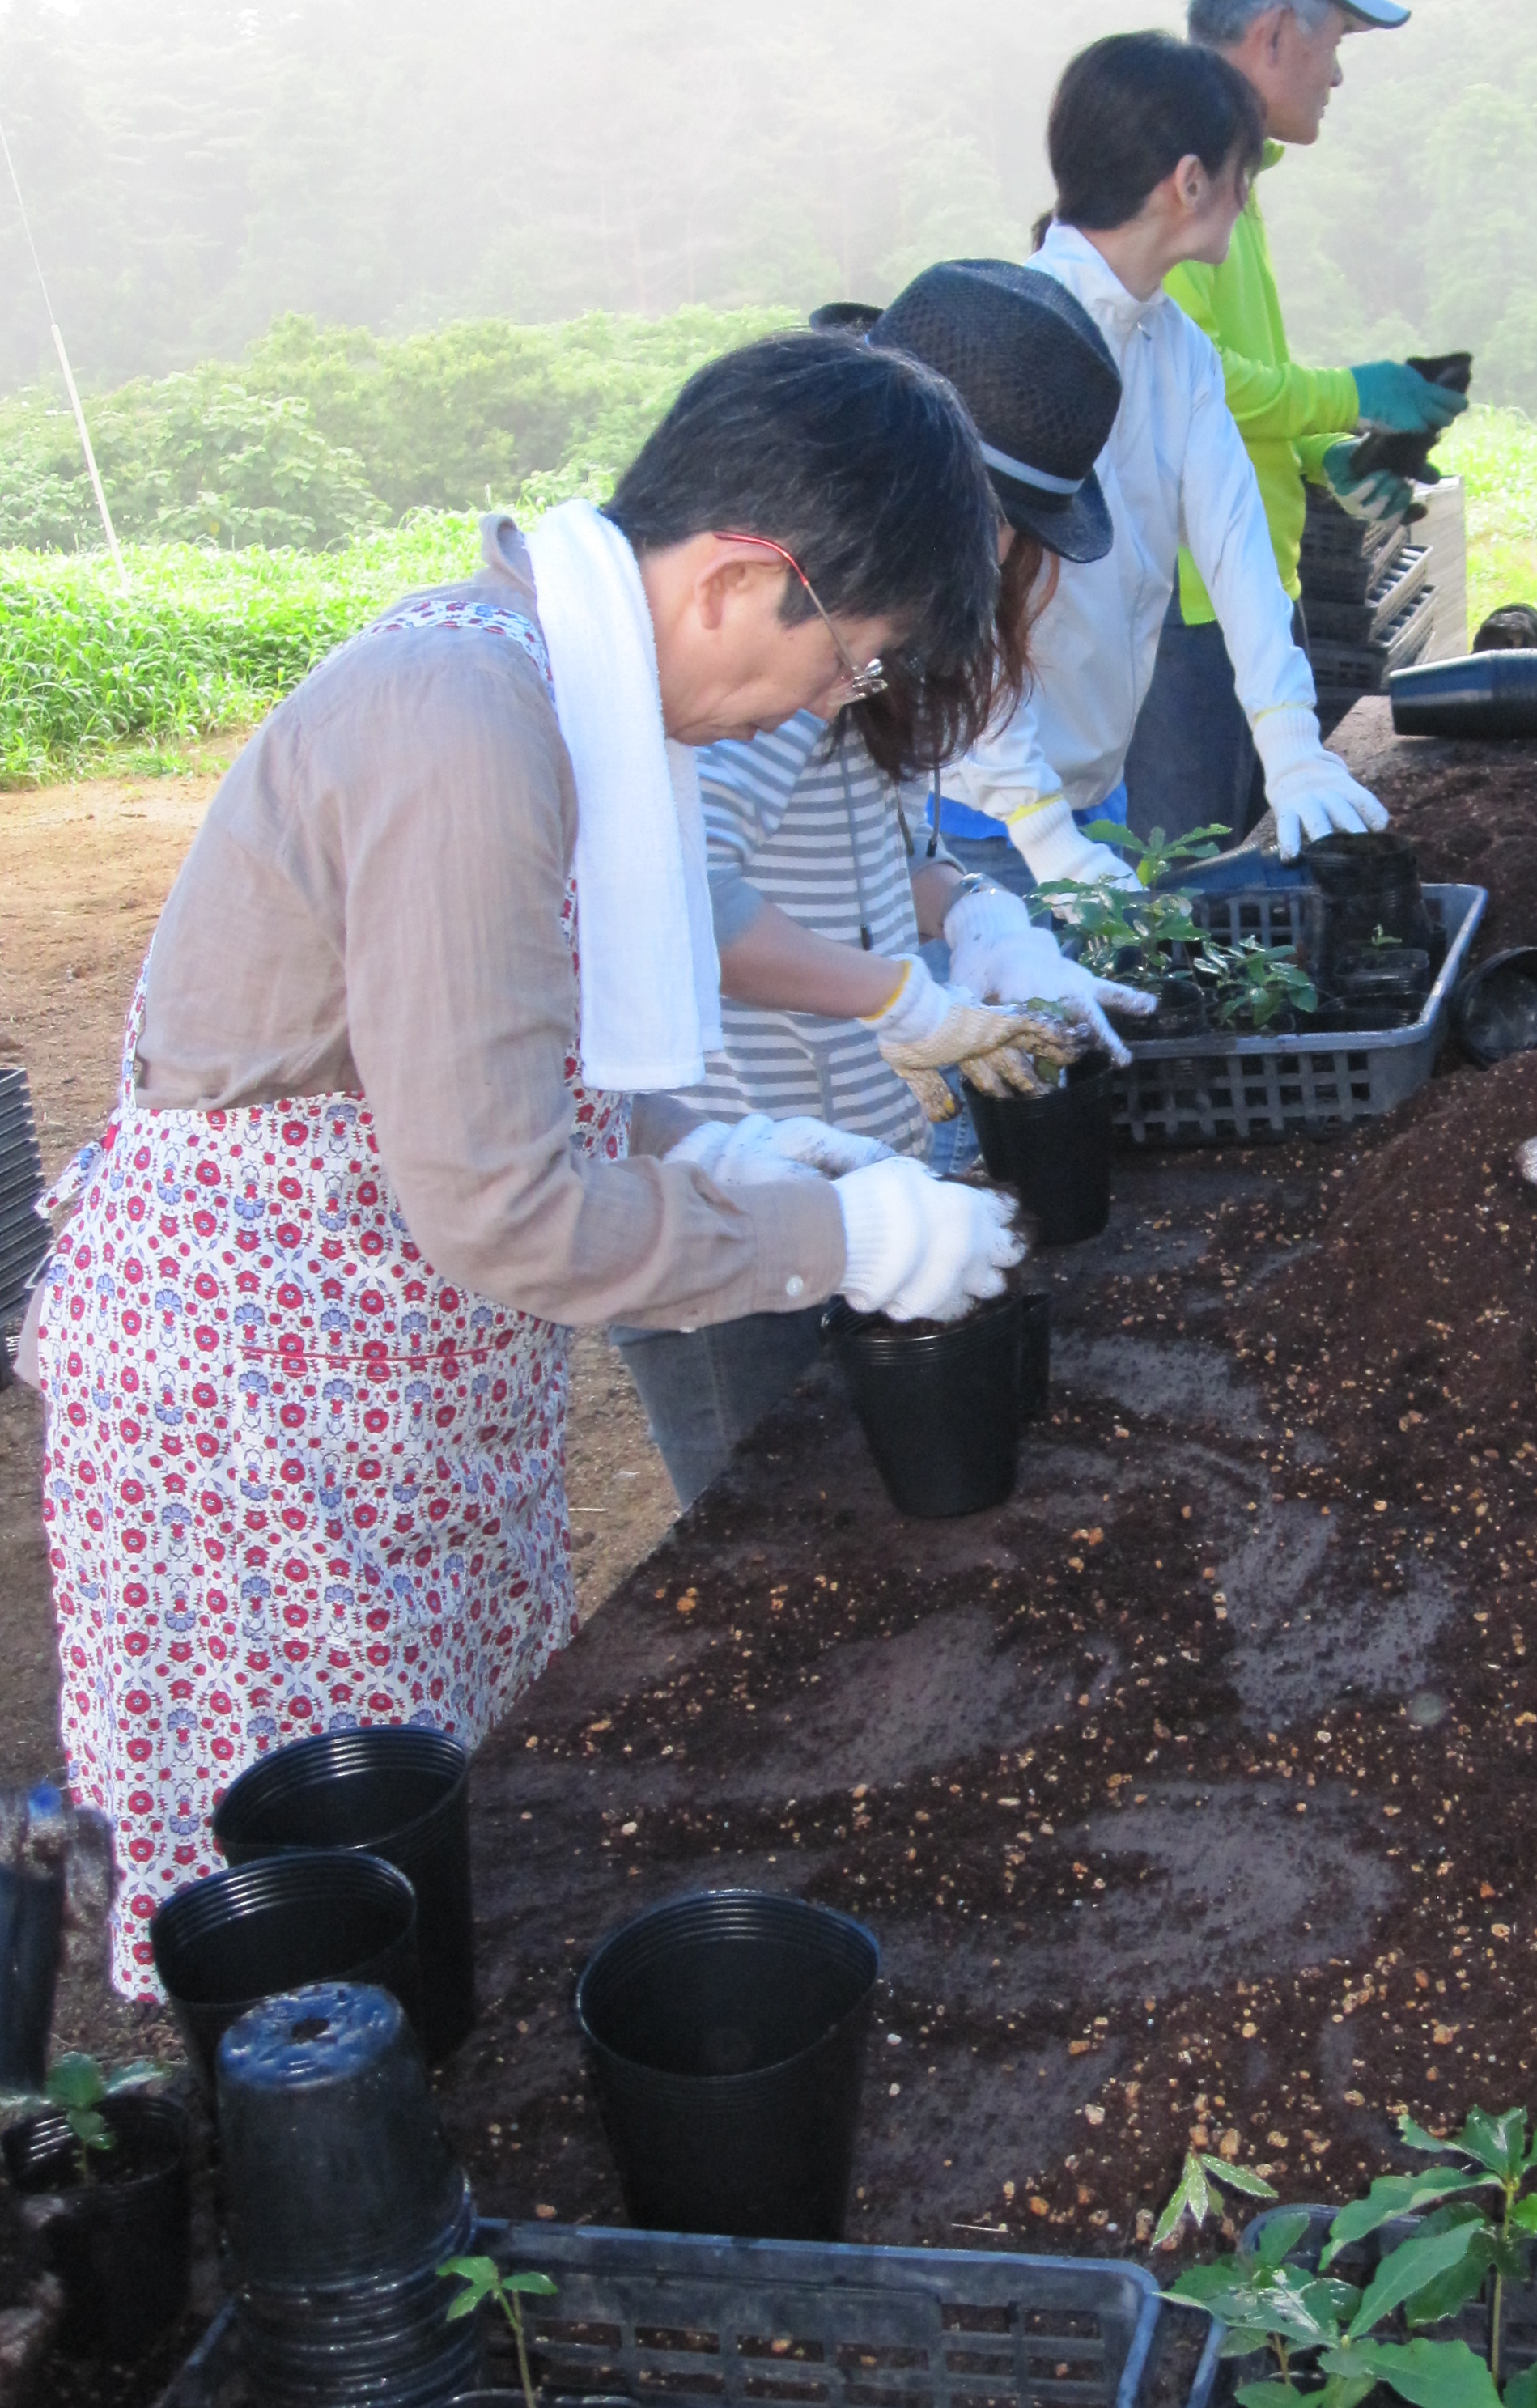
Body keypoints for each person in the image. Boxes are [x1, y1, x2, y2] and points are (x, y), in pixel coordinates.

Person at [26, 334, 1025, 1994]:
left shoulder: (553, 697)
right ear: (736, 582)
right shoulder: (465, 722)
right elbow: (502, 1199)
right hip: (269, 1391)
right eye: (848, 662)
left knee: (430, 1840)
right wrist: (830, 1232)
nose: (831, 704)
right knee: (321, 1936)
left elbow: (493, 1060)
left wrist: (726, 1137)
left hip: (388, 1355)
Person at [617, 263, 1155, 1509]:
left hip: (832, 1170)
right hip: (725, 1175)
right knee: (765, 1520)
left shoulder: (858, 652)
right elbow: (680, 898)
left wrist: (979, 917)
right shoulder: (763, 663)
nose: (1013, 566)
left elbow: (872, 861)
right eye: (1012, 528)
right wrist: (894, 1004)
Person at [940, 32, 1387, 882]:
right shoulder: (1016, 346)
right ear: (1190, 183)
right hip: (980, 812)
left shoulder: (1174, 346)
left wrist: (1291, 742)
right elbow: (966, 614)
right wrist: (1040, 831)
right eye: (1239, 174)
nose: (1245, 196)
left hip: (1092, 794)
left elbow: (1233, 545)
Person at [1120, 0, 1469, 848]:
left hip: (1243, 594)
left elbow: (1236, 382)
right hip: (1185, 608)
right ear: (1276, 31)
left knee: (1250, 880)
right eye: (1337, 39)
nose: (1340, 71)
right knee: (1185, 897)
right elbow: (1182, 385)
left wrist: (1325, 454)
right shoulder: (1172, 174)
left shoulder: (1235, 171)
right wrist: (1355, 394)